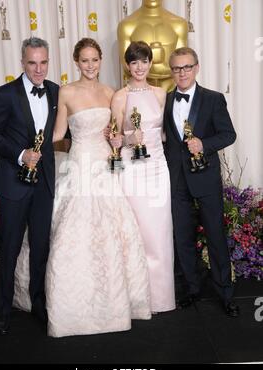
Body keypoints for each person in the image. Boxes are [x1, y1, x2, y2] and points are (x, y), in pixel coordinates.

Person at [14, 37, 151, 337]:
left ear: (101, 60)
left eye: (95, 59)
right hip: (78, 166)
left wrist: (120, 139)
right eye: (84, 60)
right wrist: (30, 149)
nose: (90, 65)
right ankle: (69, 308)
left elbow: (116, 134)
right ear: (76, 62)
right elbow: (59, 133)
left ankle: (114, 304)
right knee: (70, 233)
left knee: (113, 230)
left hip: (105, 167)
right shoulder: (66, 92)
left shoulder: (111, 93)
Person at [0, 37, 60, 335]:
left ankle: (37, 304)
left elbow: (61, 134)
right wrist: (20, 154)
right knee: (11, 248)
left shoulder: (55, 91)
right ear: (22, 62)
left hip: (44, 185)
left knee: (41, 247)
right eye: (32, 63)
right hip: (14, 184)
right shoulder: (4, 94)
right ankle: (2, 311)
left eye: (43, 62)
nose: (38, 69)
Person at [163, 47, 240, 317]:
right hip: (177, 181)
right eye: (176, 68)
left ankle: (225, 293)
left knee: (216, 238)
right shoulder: (165, 100)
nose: (181, 72)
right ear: (171, 71)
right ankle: (191, 290)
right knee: (182, 238)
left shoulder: (213, 99)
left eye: (186, 67)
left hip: (206, 179)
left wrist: (203, 144)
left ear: (196, 68)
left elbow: (229, 135)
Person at [110, 41, 176, 314]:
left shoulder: (161, 94)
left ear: (151, 63)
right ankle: (136, 299)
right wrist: (128, 137)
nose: (140, 67)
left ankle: (161, 299)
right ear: (128, 65)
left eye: (144, 61)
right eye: (134, 62)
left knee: (160, 232)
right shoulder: (120, 96)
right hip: (132, 169)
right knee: (136, 231)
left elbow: (165, 132)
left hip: (158, 167)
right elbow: (113, 137)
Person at [117, 0, 188, 91]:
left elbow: (181, 65)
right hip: (137, 94)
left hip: (172, 93)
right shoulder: (126, 25)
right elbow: (127, 67)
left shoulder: (179, 24)